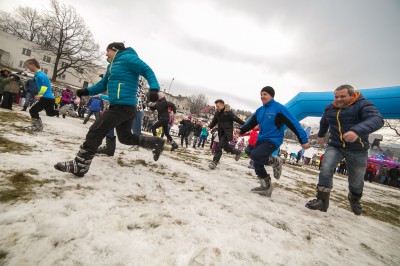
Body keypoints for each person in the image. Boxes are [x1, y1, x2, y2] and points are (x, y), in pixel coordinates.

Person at [54, 42, 165, 177]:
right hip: (125, 107)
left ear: (115, 50)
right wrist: (86, 91)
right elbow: (102, 85)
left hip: (122, 106)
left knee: (96, 130)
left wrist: (154, 88)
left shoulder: (128, 58)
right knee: (125, 137)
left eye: (108, 51)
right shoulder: (111, 66)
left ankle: (80, 165)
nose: (106, 54)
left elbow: (147, 70)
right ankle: (155, 142)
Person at [306, 84, 384, 215]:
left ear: (352, 95)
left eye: (342, 96)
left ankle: (355, 198)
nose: (338, 99)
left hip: (357, 149)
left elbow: (377, 119)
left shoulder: (363, 105)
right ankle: (322, 201)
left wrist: (356, 131)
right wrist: (320, 134)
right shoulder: (330, 108)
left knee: (356, 180)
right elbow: (324, 122)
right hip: (335, 145)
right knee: (325, 168)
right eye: (336, 96)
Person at [239, 86, 310, 196]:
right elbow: (250, 123)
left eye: (265, 94)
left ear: (271, 96)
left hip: (273, 139)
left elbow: (293, 123)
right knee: (256, 161)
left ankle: (275, 161)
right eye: (261, 94)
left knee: (257, 156)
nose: (262, 96)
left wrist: (303, 139)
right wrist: (240, 131)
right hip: (261, 138)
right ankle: (266, 187)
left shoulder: (279, 108)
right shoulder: (260, 110)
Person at [23, 59, 59, 132]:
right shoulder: (38, 74)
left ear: (32, 65)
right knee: (50, 113)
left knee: (33, 110)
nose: (27, 67)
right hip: (49, 98)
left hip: (46, 97)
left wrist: (40, 95)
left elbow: (44, 86)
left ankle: (36, 126)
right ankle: (61, 111)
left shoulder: (40, 75)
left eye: (28, 65)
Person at [208, 99, 245, 170]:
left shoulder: (228, 113)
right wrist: (210, 127)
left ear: (222, 105)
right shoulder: (217, 113)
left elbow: (237, 119)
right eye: (216, 106)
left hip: (227, 133)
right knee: (226, 148)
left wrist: (247, 125)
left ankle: (214, 162)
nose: (217, 107)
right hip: (221, 133)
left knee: (219, 146)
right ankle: (238, 152)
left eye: (218, 106)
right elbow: (214, 122)